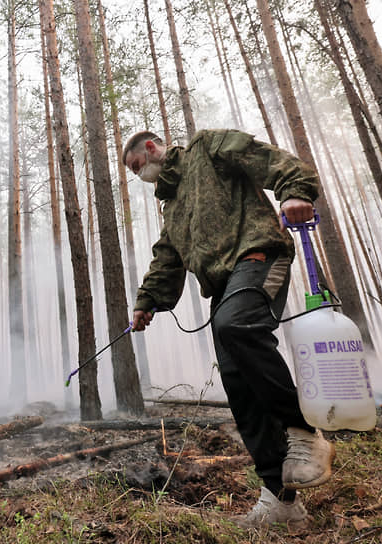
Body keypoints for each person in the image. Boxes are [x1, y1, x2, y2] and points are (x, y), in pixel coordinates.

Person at [123, 129, 335, 528]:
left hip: (258, 257)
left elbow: (269, 159)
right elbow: (167, 258)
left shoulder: (209, 148)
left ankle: (304, 433)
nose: (140, 176)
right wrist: (146, 302)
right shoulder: (172, 205)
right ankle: (280, 503)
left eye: (137, 167)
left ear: (150, 149)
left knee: (234, 324)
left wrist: (295, 191)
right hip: (224, 285)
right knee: (238, 383)